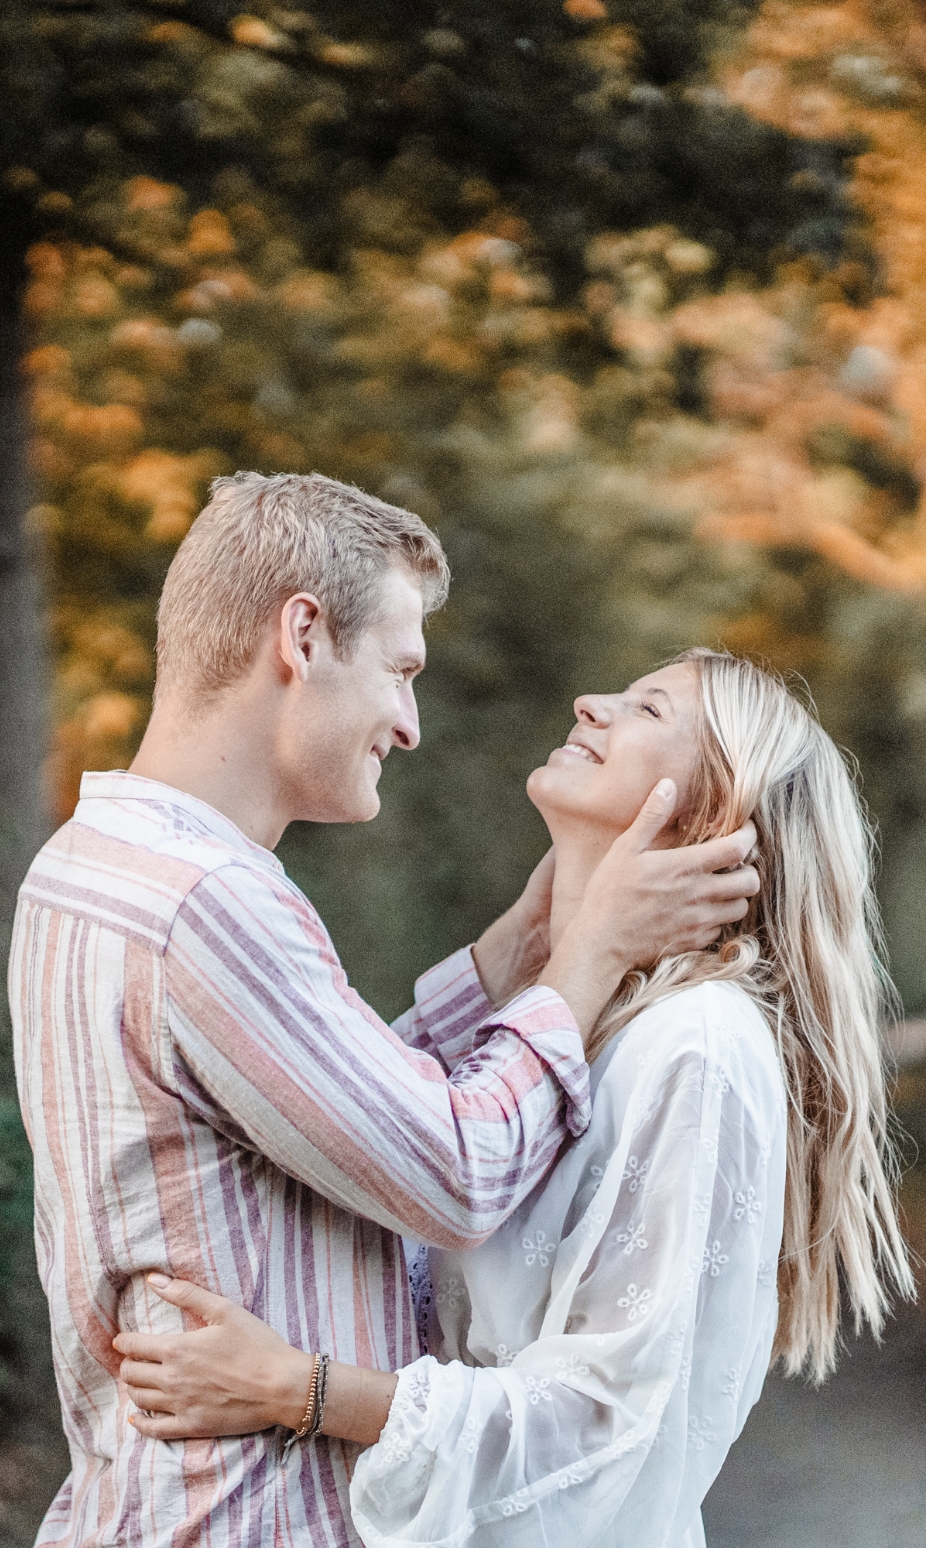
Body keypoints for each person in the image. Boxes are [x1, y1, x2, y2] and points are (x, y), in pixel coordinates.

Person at [9, 473, 759, 1548]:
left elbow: (332, 1113)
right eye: (400, 671)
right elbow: (449, 1173)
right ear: (302, 637)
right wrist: (591, 955)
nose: (407, 725)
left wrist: (529, 938)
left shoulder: (96, 864)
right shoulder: (206, 904)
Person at [115, 649, 913, 1548]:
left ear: (714, 808)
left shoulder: (696, 1044)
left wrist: (298, 1388)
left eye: (649, 710)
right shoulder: (556, 1019)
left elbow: (608, 1421)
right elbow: (389, 1137)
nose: (590, 700)